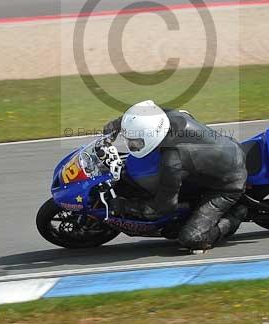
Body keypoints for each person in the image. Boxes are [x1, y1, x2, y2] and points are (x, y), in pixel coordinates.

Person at [103, 100, 248, 251]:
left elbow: (164, 206)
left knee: (192, 238)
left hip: (227, 185)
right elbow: (143, 116)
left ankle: (235, 216)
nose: (132, 145)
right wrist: (116, 125)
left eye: (136, 142)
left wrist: (127, 206)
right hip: (223, 152)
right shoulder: (167, 118)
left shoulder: (173, 161)